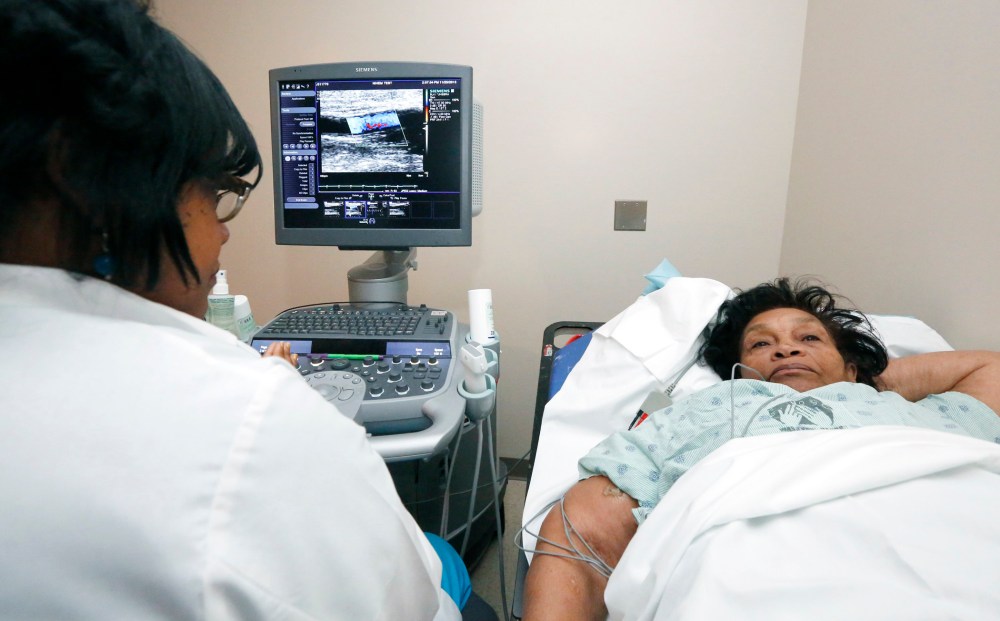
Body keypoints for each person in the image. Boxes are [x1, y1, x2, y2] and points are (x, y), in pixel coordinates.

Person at [0, 1, 479, 619]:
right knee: (447, 564)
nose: (224, 236)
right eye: (215, 193)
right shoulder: (255, 425)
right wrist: (277, 398)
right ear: (95, 186)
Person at [522, 277, 1000, 621]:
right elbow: (582, 532)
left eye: (808, 338)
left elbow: (989, 368)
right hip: (761, 565)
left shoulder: (919, 416)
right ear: (738, 370)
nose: (787, 349)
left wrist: (860, 381)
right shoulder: (714, 409)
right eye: (761, 344)